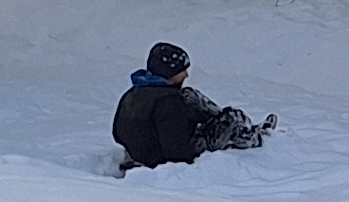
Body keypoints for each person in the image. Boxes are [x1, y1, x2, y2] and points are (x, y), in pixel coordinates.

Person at [112, 42, 274, 173]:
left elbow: (117, 133)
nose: (186, 75)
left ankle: (224, 122)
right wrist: (201, 137)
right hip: (160, 157)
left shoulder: (136, 92)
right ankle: (254, 136)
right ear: (169, 72)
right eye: (182, 71)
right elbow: (177, 152)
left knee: (189, 96)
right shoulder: (169, 103)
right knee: (231, 118)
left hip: (140, 149)